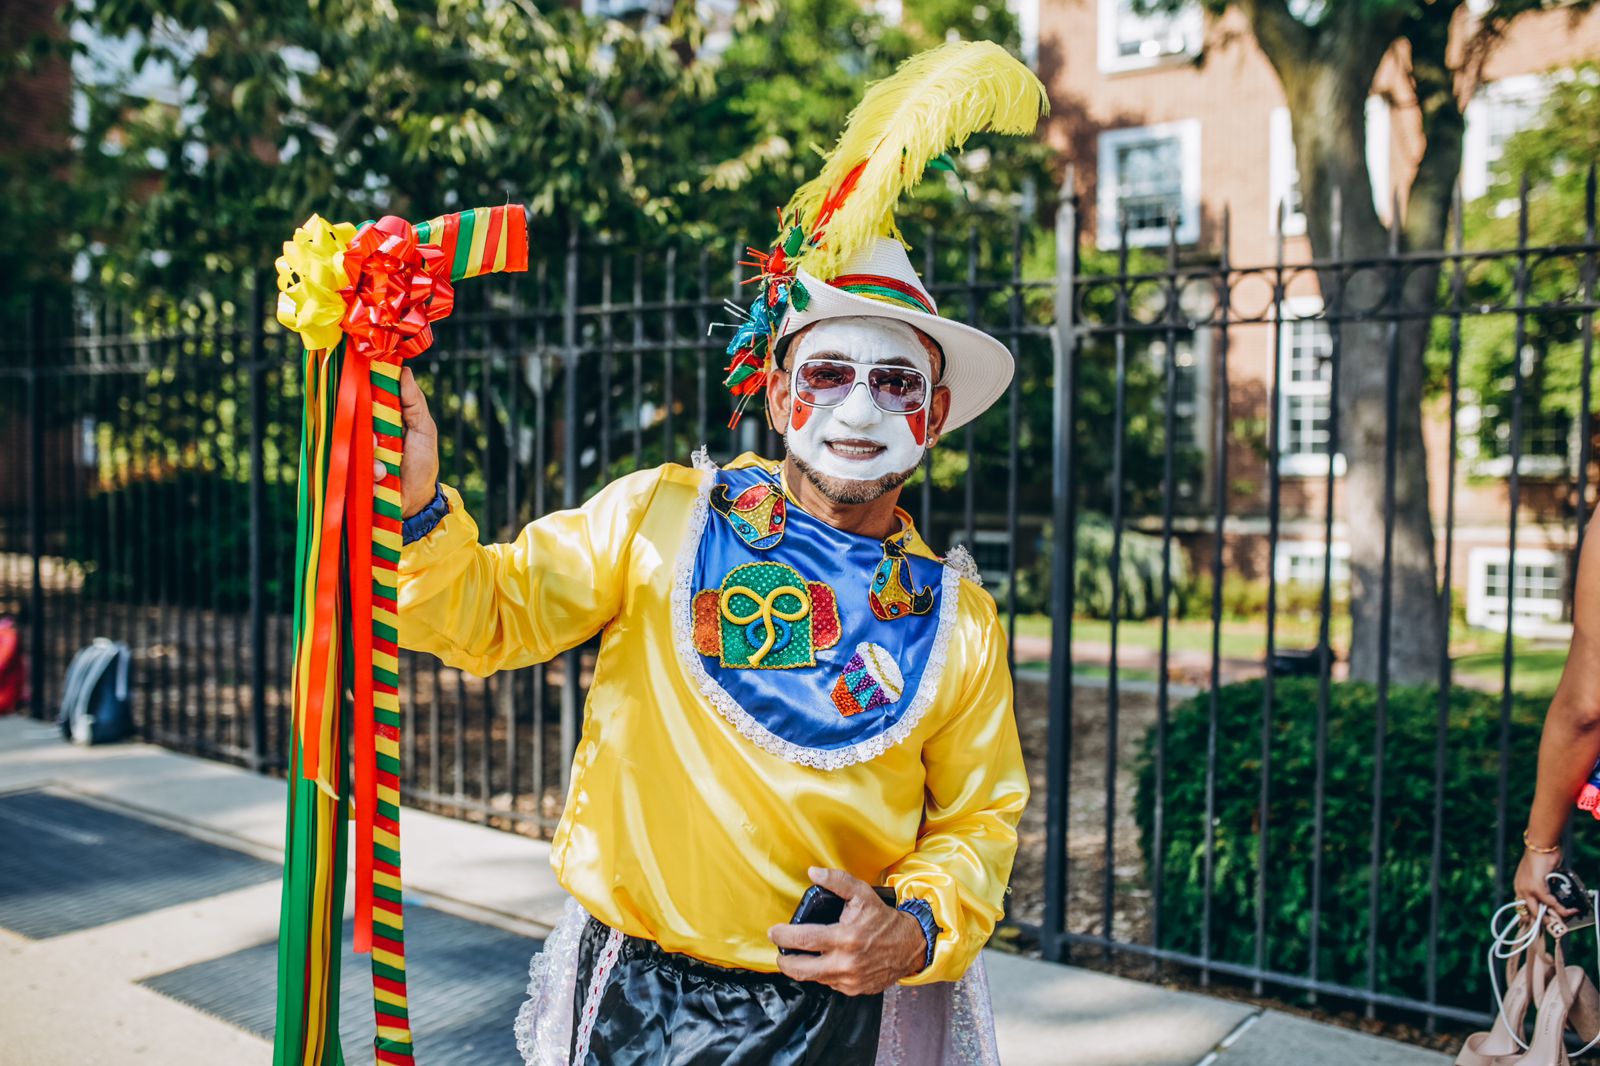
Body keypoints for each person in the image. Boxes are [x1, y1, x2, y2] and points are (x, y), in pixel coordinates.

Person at [394, 39, 1046, 1066]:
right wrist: (422, 502)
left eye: (896, 384)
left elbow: (978, 821)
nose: (860, 409)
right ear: (781, 395)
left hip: (829, 1021)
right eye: (828, 373)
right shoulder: (664, 516)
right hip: (631, 1004)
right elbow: (482, 612)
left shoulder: (956, 619)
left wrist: (914, 927)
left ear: (938, 414)